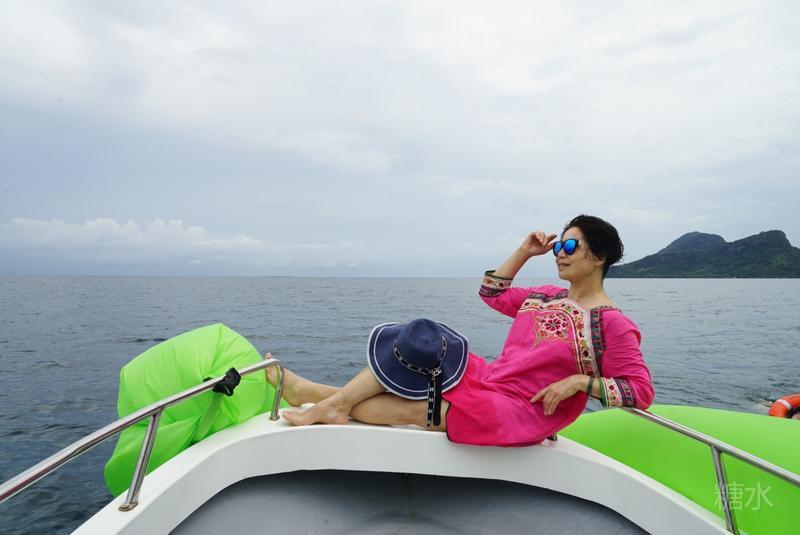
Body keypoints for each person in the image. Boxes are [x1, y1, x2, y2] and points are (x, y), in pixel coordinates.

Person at [273, 214, 655, 446]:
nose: (561, 253)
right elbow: (491, 292)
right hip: (490, 378)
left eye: (571, 245)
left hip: (521, 409)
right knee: (422, 341)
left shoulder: (611, 324)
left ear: (599, 257)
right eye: (560, 246)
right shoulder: (543, 296)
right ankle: (327, 401)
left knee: (418, 407)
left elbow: (639, 391)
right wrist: (524, 251)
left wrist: (579, 382)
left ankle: (316, 396)